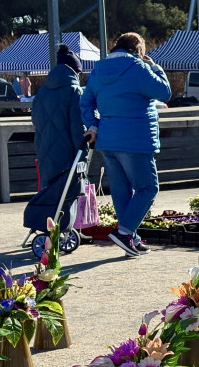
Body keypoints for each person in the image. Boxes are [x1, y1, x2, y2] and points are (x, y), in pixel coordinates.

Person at [80, 32, 171, 257]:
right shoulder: (139, 68)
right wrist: (155, 67)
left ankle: (130, 239)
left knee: (121, 191)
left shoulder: (99, 69)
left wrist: (93, 125)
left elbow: (85, 101)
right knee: (148, 188)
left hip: (108, 140)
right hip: (136, 138)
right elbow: (165, 93)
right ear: (138, 49)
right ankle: (125, 232)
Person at [31, 46, 85, 187]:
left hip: (44, 150)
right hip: (68, 154)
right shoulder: (74, 92)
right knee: (68, 195)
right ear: (76, 72)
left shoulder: (41, 93)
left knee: (49, 194)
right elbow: (78, 128)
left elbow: (35, 120)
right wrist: (83, 158)